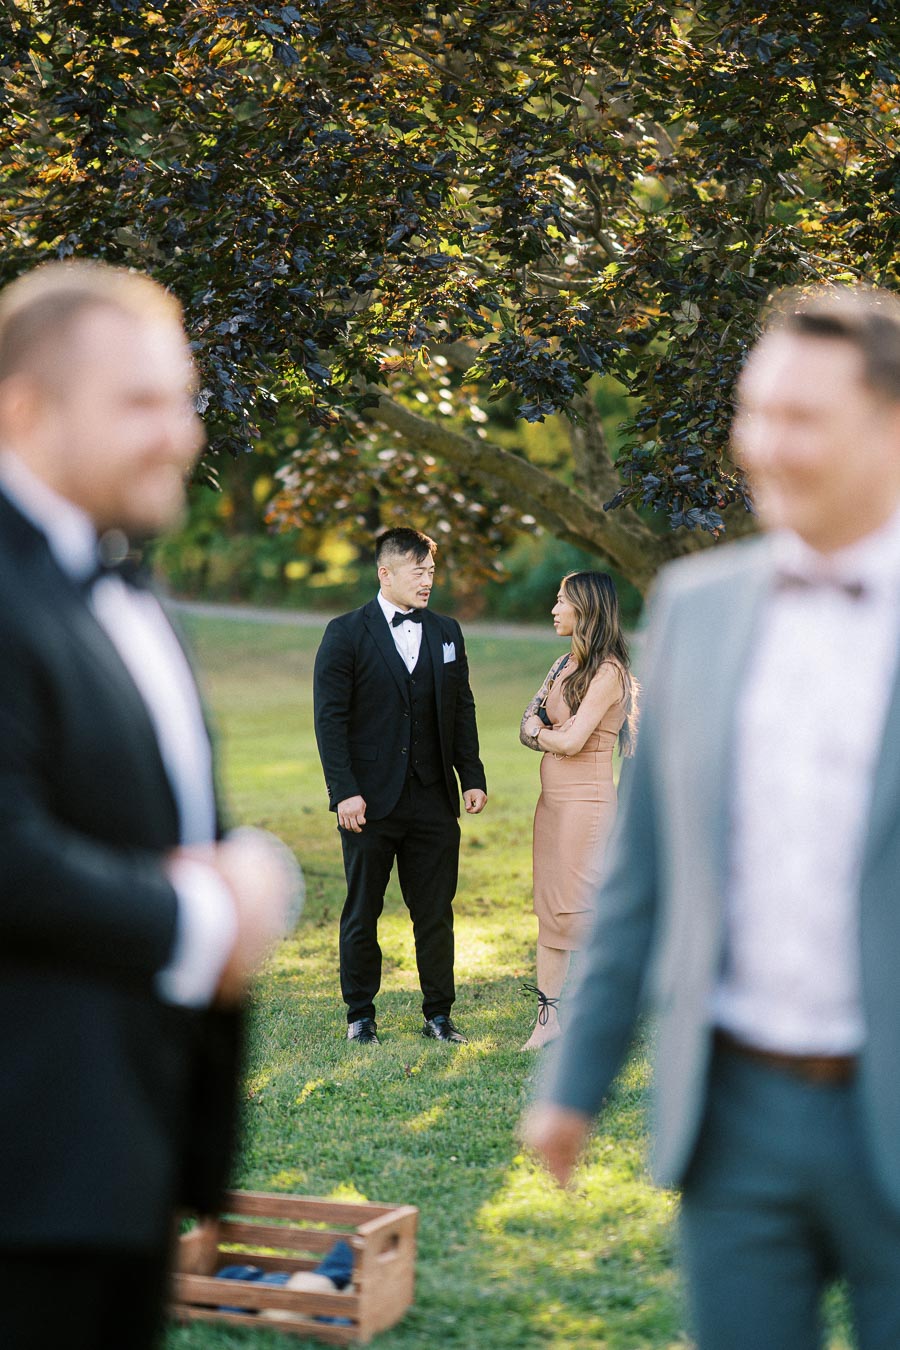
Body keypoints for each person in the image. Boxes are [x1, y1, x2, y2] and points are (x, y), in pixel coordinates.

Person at [523, 284, 900, 1350]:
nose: (763, 448)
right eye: (754, 412)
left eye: (803, 419)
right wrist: (572, 1082)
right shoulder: (698, 609)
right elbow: (643, 873)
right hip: (732, 1123)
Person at [0, 260, 298, 1350]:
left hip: (121, 1164)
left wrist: (242, 864)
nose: (178, 434)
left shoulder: (118, 578)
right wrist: (212, 919)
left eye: (184, 399)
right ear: (24, 410)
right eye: (138, 403)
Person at [313, 526, 487, 1046]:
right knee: (362, 910)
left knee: (435, 911)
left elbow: (462, 709)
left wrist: (471, 776)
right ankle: (360, 1015)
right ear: (385, 573)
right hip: (368, 800)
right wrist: (344, 790)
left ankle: (439, 1014)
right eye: (418, 572)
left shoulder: (448, 631)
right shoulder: (344, 632)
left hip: (433, 798)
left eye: (432, 571)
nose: (428, 581)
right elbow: (330, 718)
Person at [519, 571, 636, 1050]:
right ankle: (548, 1023)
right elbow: (523, 727)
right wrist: (546, 736)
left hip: (585, 806)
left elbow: (561, 737)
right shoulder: (561, 665)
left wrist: (544, 735)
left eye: (561, 600)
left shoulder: (609, 673)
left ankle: (603, 1014)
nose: (553, 608)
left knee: (581, 909)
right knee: (551, 910)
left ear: (585, 608)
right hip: (552, 806)